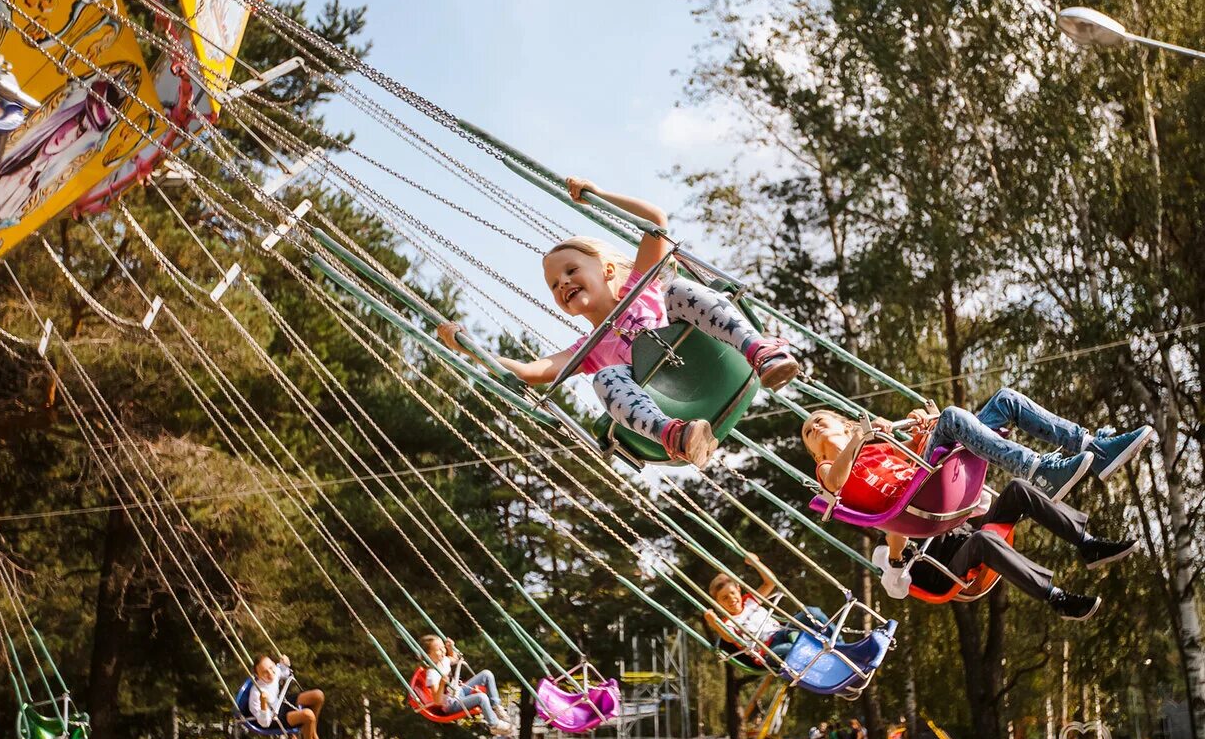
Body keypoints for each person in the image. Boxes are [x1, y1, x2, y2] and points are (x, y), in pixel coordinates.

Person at [438, 176, 799, 468]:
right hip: (672, 400)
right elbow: (528, 371)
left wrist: (600, 195)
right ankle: (674, 435)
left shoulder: (640, 286)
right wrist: (467, 348)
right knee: (605, 377)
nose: (562, 282)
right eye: (553, 284)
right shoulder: (590, 349)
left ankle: (759, 350)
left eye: (570, 271)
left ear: (608, 270)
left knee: (676, 291)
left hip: (715, 357)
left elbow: (656, 222)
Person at [802, 388, 1153, 506]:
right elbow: (834, 483)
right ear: (816, 453)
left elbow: (911, 453)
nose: (814, 427)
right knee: (954, 417)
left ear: (843, 422)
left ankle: (1094, 449)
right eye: (809, 432)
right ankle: (1039, 471)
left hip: (926, 466)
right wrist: (861, 440)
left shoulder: (874, 439)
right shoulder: (826, 467)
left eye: (820, 420)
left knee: (1005, 399)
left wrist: (925, 427)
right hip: (918, 492)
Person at [872, 478, 1138, 620]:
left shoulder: (930, 507)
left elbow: (982, 501)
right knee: (981, 541)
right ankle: (1056, 597)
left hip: (975, 538)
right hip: (951, 574)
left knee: (1017, 488)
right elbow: (896, 588)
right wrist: (896, 547)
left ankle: (1088, 543)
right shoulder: (884, 549)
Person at [702, 553, 831, 667]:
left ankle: (838, 644)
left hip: (783, 631)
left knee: (812, 613)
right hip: (768, 650)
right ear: (718, 603)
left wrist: (756, 563)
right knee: (791, 650)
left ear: (738, 589)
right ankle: (824, 661)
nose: (731, 599)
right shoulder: (728, 622)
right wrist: (714, 623)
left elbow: (770, 582)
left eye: (732, 593)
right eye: (724, 598)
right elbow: (729, 637)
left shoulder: (749, 601)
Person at [419, 634, 513, 734]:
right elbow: (437, 701)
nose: (443, 651)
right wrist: (442, 684)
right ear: (428, 655)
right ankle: (494, 725)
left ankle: (496, 706)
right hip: (452, 704)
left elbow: (453, 658)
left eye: (443, 647)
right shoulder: (432, 674)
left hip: (459, 692)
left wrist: (450, 648)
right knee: (482, 697)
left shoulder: (444, 660)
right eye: (438, 649)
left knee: (487, 674)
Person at [248, 653, 330, 739]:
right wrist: (263, 704)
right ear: (258, 676)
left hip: (281, 703)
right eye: (264, 672)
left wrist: (285, 664)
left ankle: (312, 731)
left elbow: (284, 673)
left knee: (318, 695)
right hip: (275, 717)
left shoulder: (275, 671)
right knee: (308, 715)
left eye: (271, 667)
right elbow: (264, 723)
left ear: (273, 664)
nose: (270, 673)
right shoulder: (256, 693)